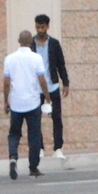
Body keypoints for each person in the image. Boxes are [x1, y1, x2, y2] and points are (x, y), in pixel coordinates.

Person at [1, 29, 49, 179]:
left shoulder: (9, 59)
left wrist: (6, 100)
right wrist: (47, 97)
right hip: (33, 102)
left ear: (18, 41)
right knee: (34, 135)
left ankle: (13, 157)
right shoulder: (36, 58)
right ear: (31, 42)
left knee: (14, 133)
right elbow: (41, 80)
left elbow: (6, 82)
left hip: (16, 102)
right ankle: (33, 167)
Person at [33, 14, 69, 164]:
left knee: (56, 117)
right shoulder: (31, 45)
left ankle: (58, 148)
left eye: (42, 27)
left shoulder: (54, 44)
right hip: (36, 88)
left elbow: (61, 64)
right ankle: (40, 148)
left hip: (52, 86)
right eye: (37, 27)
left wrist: (65, 82)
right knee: (35, 119)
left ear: (47, 27)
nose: (40, 30)